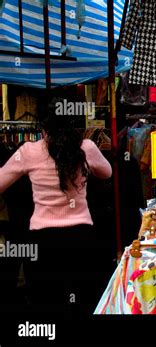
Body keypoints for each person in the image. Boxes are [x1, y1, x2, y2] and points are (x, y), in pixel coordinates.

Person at [0, 114, 112, 314]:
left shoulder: (29, 151)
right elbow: (107, 172)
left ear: (43, 130)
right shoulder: (85, 147)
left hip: (43, 242)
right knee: (84, 298)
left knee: (46, 302)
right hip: (82, 239)